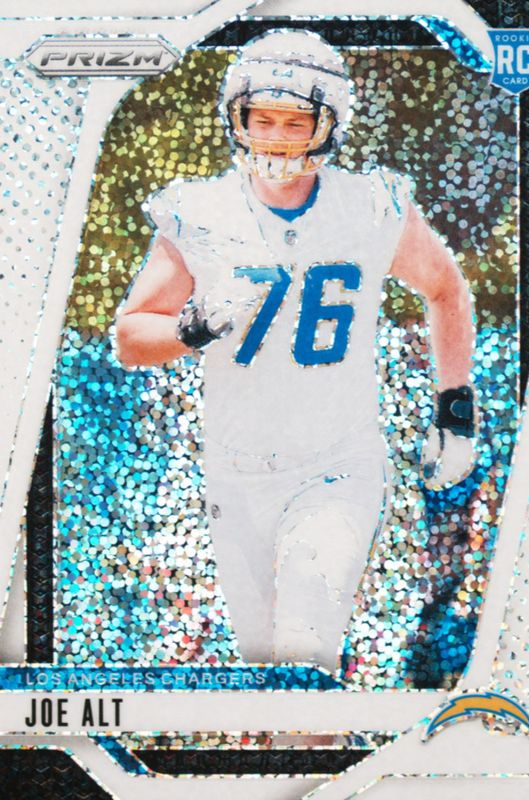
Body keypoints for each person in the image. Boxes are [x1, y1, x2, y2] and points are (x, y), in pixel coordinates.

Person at [115, 29, 475, 673]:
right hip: (236, 471)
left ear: (327, 124)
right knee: (267, 674)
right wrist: (192, 328)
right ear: (237, 119)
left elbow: (446, 288)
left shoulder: (369, 207)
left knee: (304, 646)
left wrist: (455, 405)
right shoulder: (201, 210)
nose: (277, 137)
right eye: (263, 119)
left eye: (295, 121)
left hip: (336, 464)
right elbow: (130, 336)